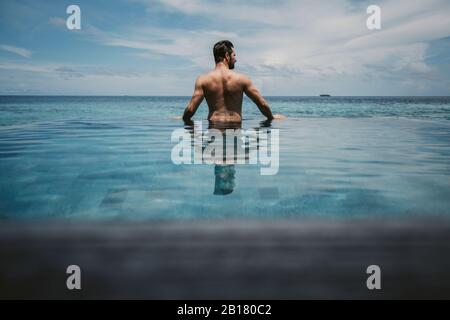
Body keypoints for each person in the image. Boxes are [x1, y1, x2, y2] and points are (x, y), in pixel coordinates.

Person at [182, 40, 285, 123]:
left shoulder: (203, 80)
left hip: (214, 128)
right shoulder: (242, 79)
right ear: (227, 56)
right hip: (235, 129)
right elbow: (261, 104)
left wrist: (183, 118)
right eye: (234, 55)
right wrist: (272, 117)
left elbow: (191, 110)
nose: (235, 59)